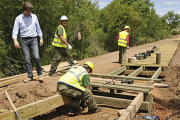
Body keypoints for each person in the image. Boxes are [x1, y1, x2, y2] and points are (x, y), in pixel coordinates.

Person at [12, 2, 43, 83]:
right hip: (24, 40)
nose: (29, 12)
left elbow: (38, 28)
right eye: (28, 10)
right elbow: (15, 31)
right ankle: (30, 76)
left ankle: (40, 74)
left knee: (36, 57)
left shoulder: (34, 17)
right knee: (27, 59)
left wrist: (41, 38)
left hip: (33, 39)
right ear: (24, 10)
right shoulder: (18, 18)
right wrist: (15, 41)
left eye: (30, 10)